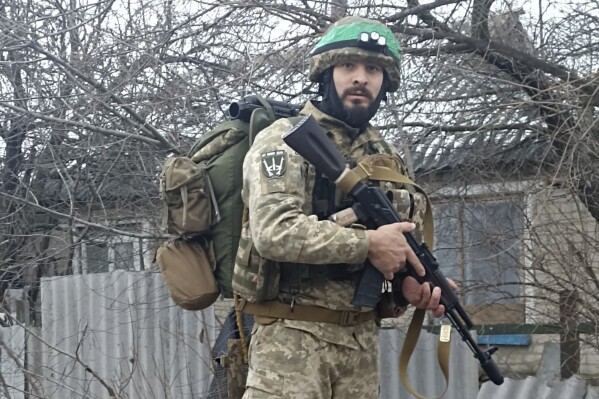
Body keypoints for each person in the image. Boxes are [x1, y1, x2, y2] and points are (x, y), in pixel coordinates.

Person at [233, 16, 450, 399]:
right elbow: (274, 232)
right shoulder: (283, 140)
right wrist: (368, 244)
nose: (360, 78)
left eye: (372, 69)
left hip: (361, 346)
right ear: (326, 74)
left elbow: (397, 243)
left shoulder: (386, 156)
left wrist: (408, 285)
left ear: (386, 82)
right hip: (291, 346)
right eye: (348, 66)